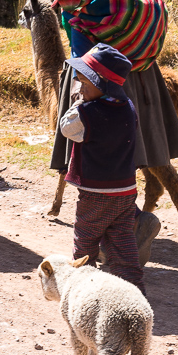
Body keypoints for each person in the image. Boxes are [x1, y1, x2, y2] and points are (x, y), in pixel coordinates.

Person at [49, 0, 178, 265]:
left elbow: (70, 11)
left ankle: (118, 231)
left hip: (93, 76)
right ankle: (124, 232)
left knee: (93, 161)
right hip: (139, 75)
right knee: (125, 157)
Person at [59, 43, 145, 296]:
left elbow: (66, 128)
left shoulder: (87, 113)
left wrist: (78, 103)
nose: (78, 85)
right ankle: (134, 293)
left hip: (95, 194)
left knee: (85, 242)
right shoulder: (128, 107)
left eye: (84, 81)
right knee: (122, 244)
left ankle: (83, 292)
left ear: (103, 83)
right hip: (126, 191)